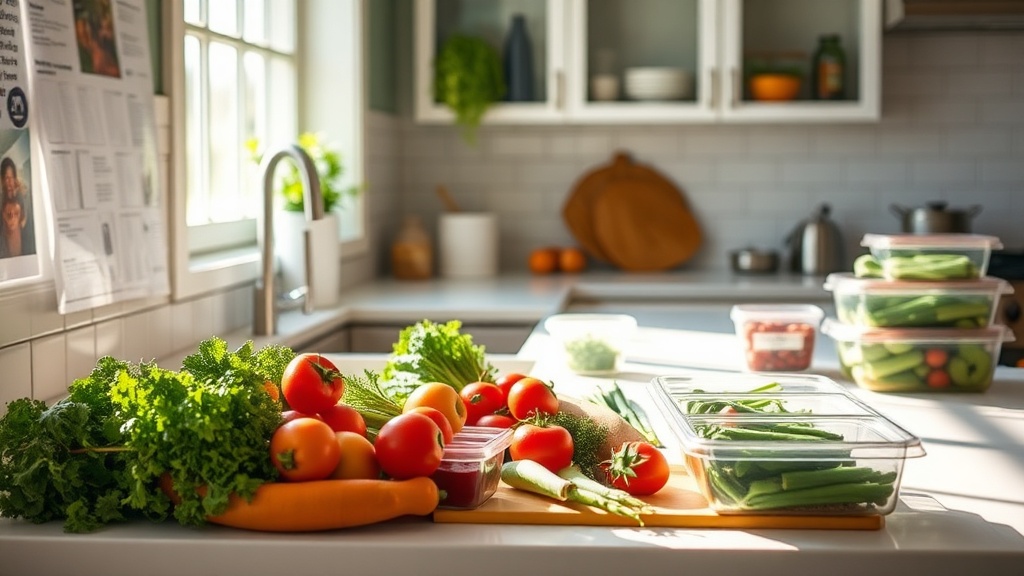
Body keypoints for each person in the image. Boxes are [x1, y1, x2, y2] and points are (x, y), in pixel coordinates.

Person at [1, 157, 34, 256]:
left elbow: (24, 221)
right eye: (7, 178)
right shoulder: (2, 200)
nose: (10, 182)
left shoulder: (21, 195)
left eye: (12, 177)